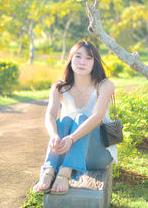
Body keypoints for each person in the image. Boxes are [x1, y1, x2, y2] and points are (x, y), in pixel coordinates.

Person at [33, 40, 116, 195]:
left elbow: (97, 117)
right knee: (64, 121)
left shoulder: (104, 85)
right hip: (66, 151)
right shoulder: (59, 87)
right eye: (78, 57)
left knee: (81, 118)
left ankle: (65, 171)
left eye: (88, 58)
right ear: (70, 59)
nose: (82, 62)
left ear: (95, 63)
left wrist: (71, 138)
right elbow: (50, 115)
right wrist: (54, 135)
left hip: (97, 154)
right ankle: (49, 170)